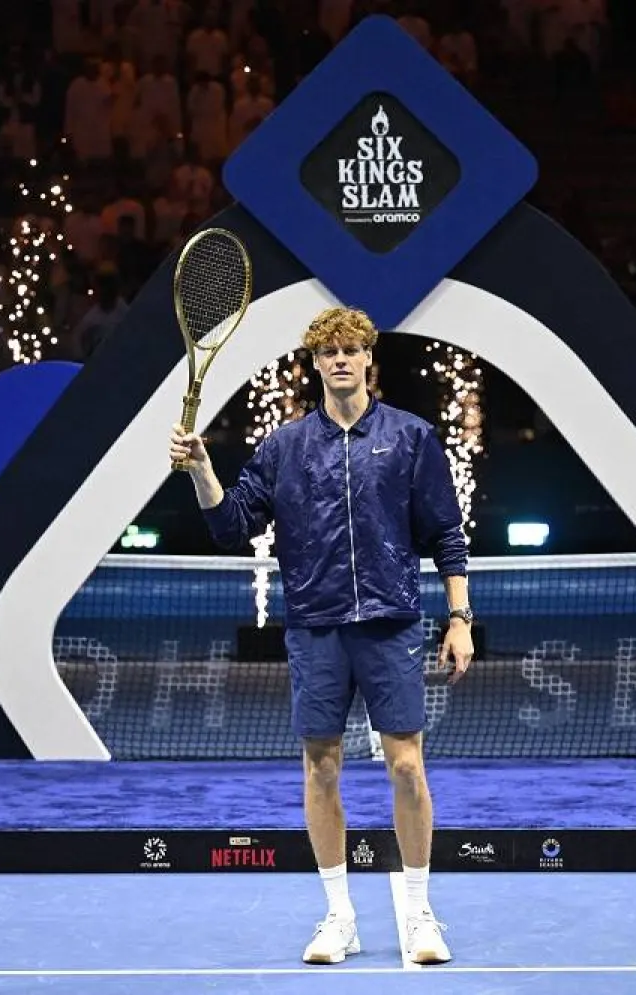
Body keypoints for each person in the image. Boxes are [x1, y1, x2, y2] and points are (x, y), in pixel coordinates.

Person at [168, 306, 474, 966]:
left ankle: (419, 911)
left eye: (351, 349)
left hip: (391, 624)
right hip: (316, 627)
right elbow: (231, 524)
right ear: (313, 364)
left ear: (369, 360)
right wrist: (200, 468)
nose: (340, 359)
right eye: (327, 351)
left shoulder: (413, 438)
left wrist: (459, 617)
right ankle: (340, 916)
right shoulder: (285, 448)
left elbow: (447, 533)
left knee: (407, 766)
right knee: (322, 766)